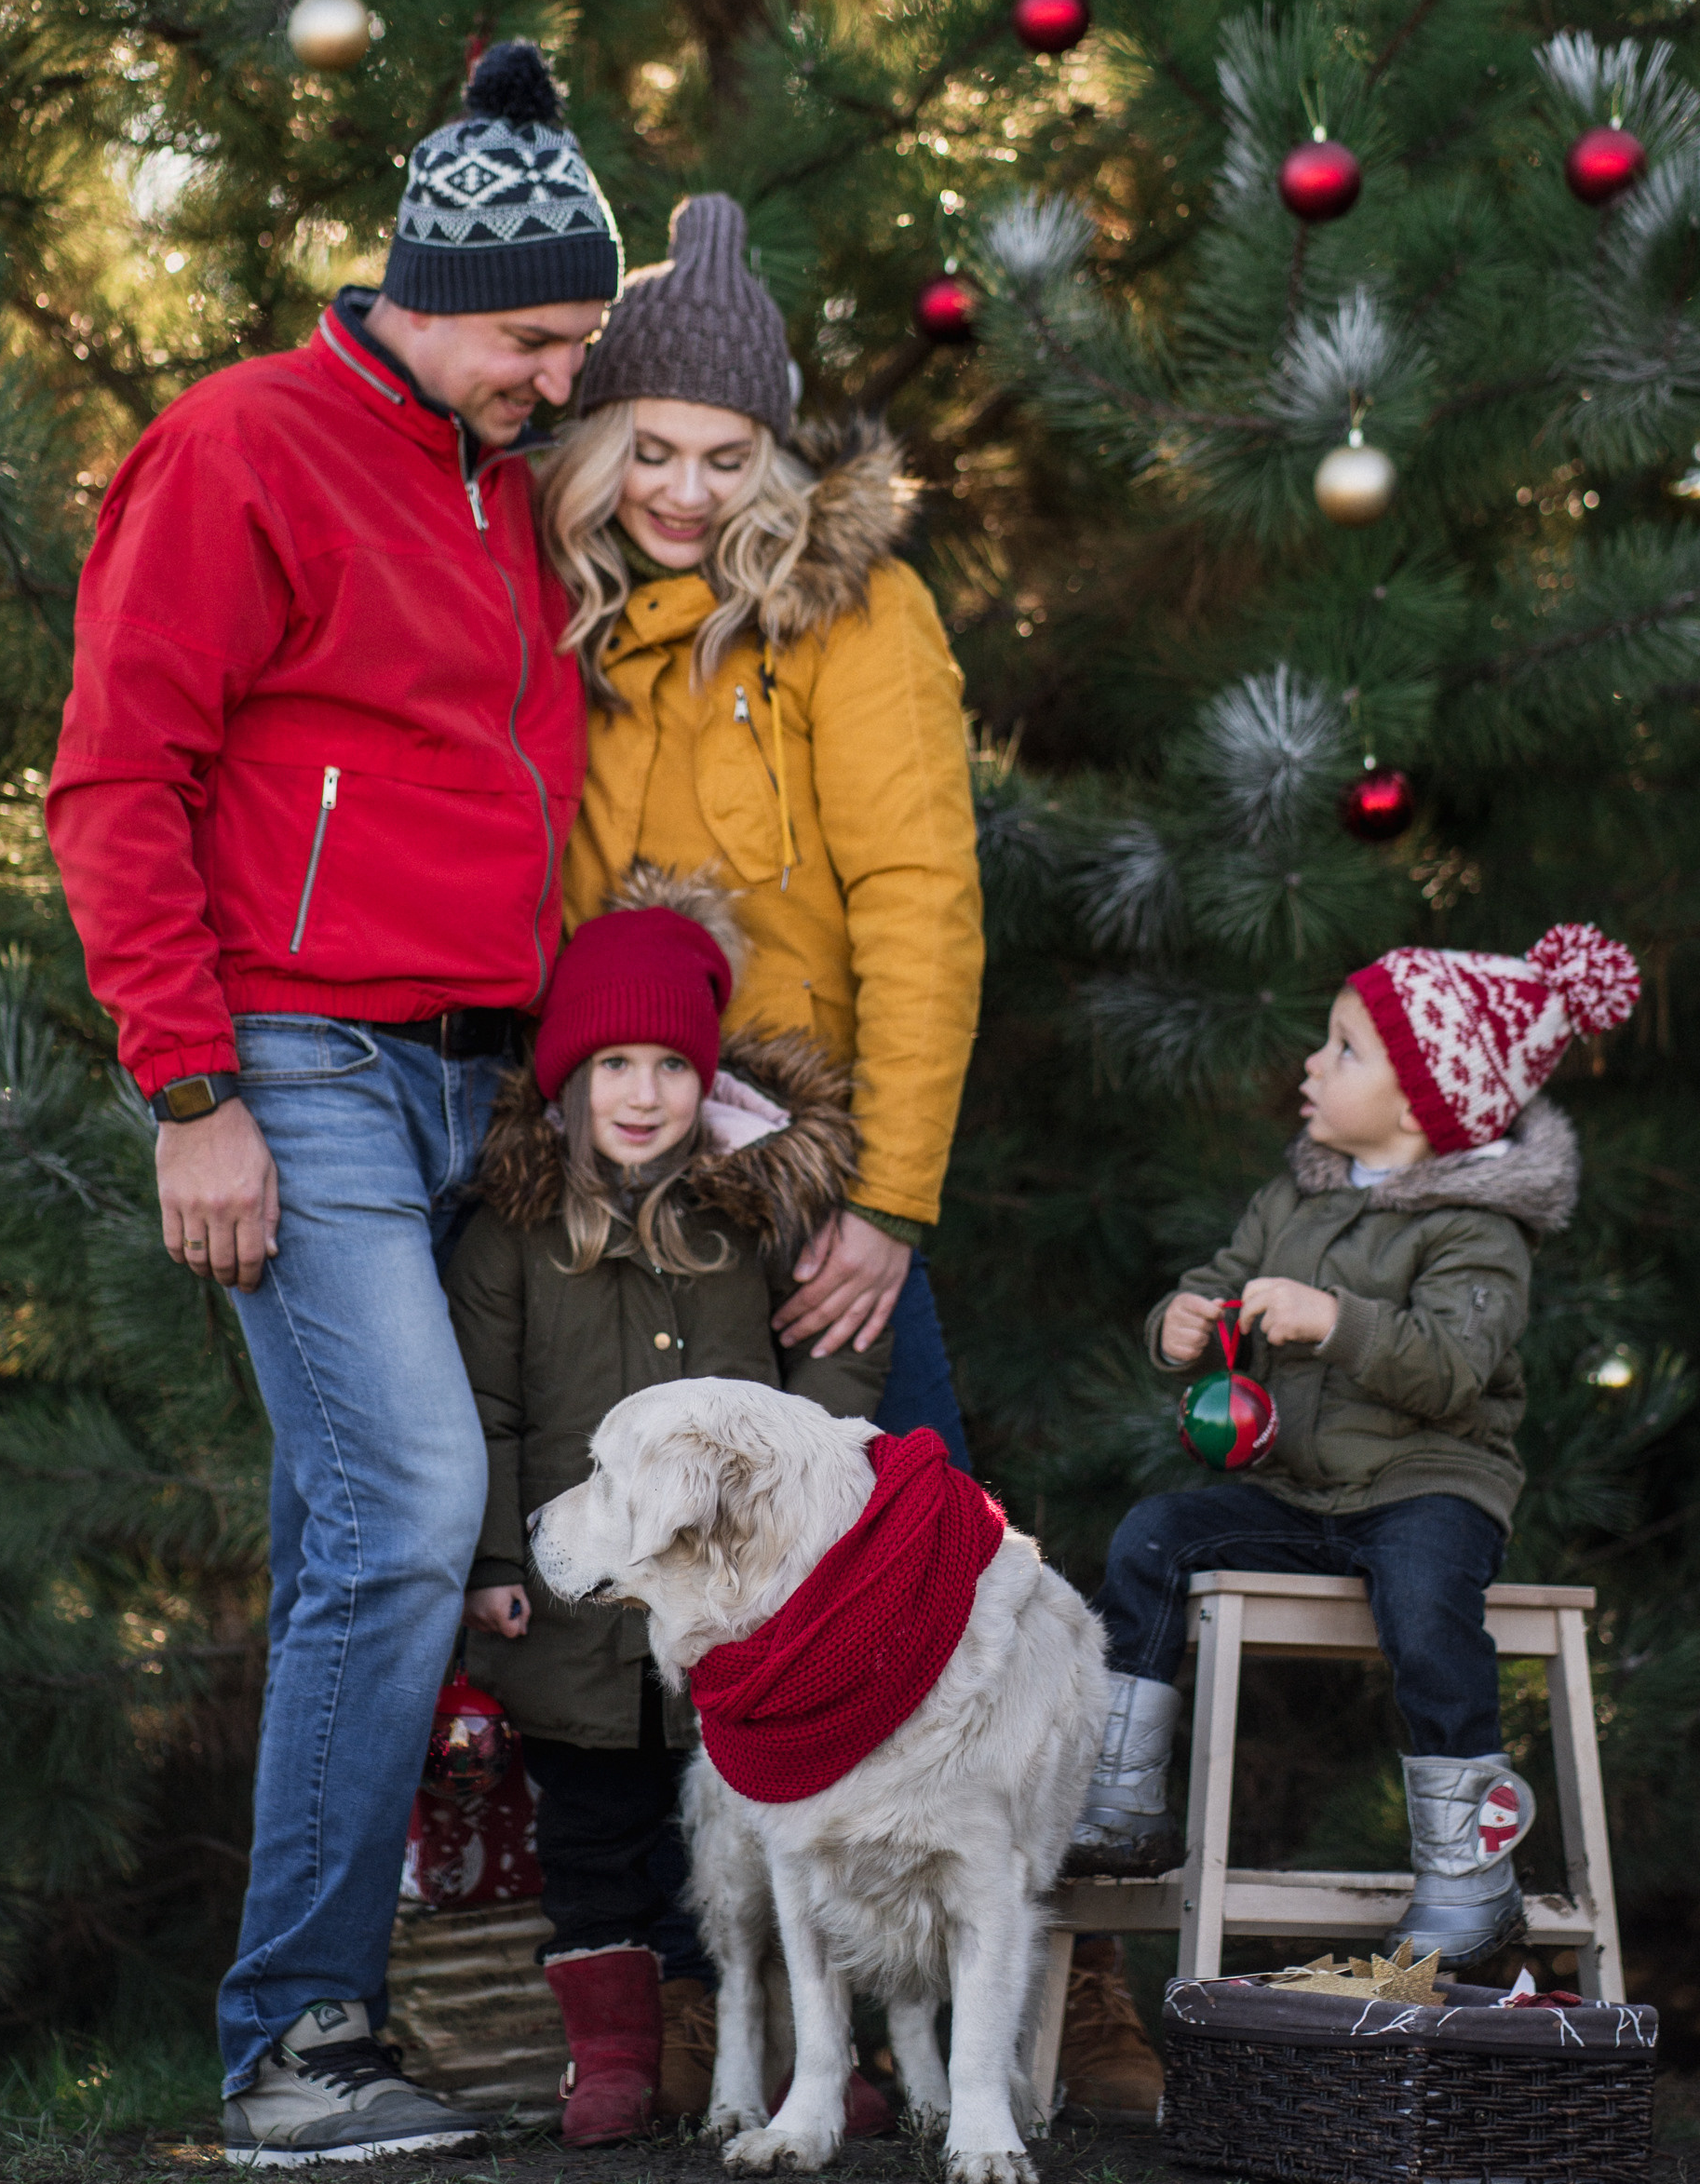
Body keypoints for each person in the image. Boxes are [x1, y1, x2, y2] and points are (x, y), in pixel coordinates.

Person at [45, 41, 623, 2164]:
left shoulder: (499, 473)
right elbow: (118, 781)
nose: (561, 376)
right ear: (422, 292)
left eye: (581, 337)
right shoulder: (239, 446)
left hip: (478, 1068)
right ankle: (297, 2040)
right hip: (291, 1056)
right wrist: (194, 1089)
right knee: (402, 1505)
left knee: (348, 1539)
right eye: (536, 335)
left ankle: (321, 2030)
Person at [1069, 923, 1641, 1979]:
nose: (1311, 1064)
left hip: (1429, 1485)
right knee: (1154, 1534)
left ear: (1425, 1102)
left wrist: (1334, 1321)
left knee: (1427, 1610)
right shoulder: (1295, 1195)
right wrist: (1181, 1324)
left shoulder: (1476, 1228)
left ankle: (1468, 1879)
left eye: (1343, 1050)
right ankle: (1119, 1798)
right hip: (1297, 1495)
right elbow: (1221, 1278)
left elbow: (1452, 1367)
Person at [448, 870, 894, 2143]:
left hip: (741, 1604)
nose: (642, 1095)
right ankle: (614, 2061)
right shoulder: (510, 1239)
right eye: (612, 1065)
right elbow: (484, 1413)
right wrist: (490, 1560)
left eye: (669, 1067)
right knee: (595, 1828)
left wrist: (818, 1520)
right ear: (565, 1081)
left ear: (708, 1082)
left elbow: (836, 1363)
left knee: (763, 1826)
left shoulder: (755, 1215)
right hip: (578, 1595)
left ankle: (796, 2046)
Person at [540, 193, 985, 1463]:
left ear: (774, 459)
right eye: (652, 449)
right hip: (594, 1161)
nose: (686, 492)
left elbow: (922, 904)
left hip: (798, 1168)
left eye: (726, 459)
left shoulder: (853, 615)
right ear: (596, 442)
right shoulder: (558, 609)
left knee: (888, 1539)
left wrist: (890, 1201)